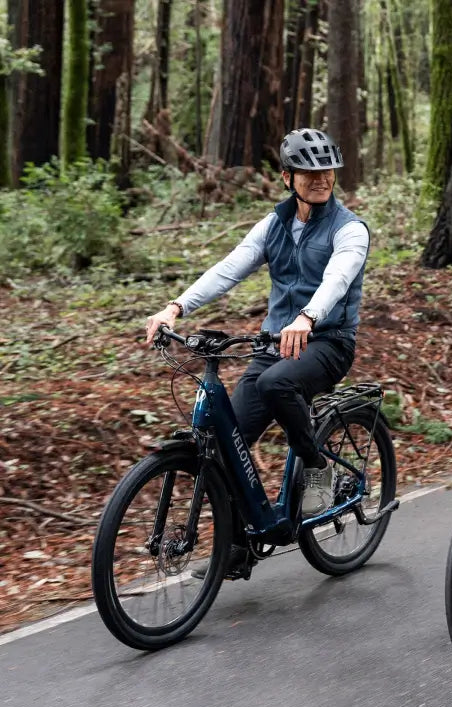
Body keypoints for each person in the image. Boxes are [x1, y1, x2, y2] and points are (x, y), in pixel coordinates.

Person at [145, 128, 369, 573]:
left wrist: (307, 317)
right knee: (227, 442)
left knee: (275, 382)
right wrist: (176, 307)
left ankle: (317, 467)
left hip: (328, 342)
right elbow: (231, 267)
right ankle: (239, 545)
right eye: (308, 172)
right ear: (288, 177)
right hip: (274, 344)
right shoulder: (275, 223)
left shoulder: (350, 229)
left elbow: (337, 279)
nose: (320, 179)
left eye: (326, 171)